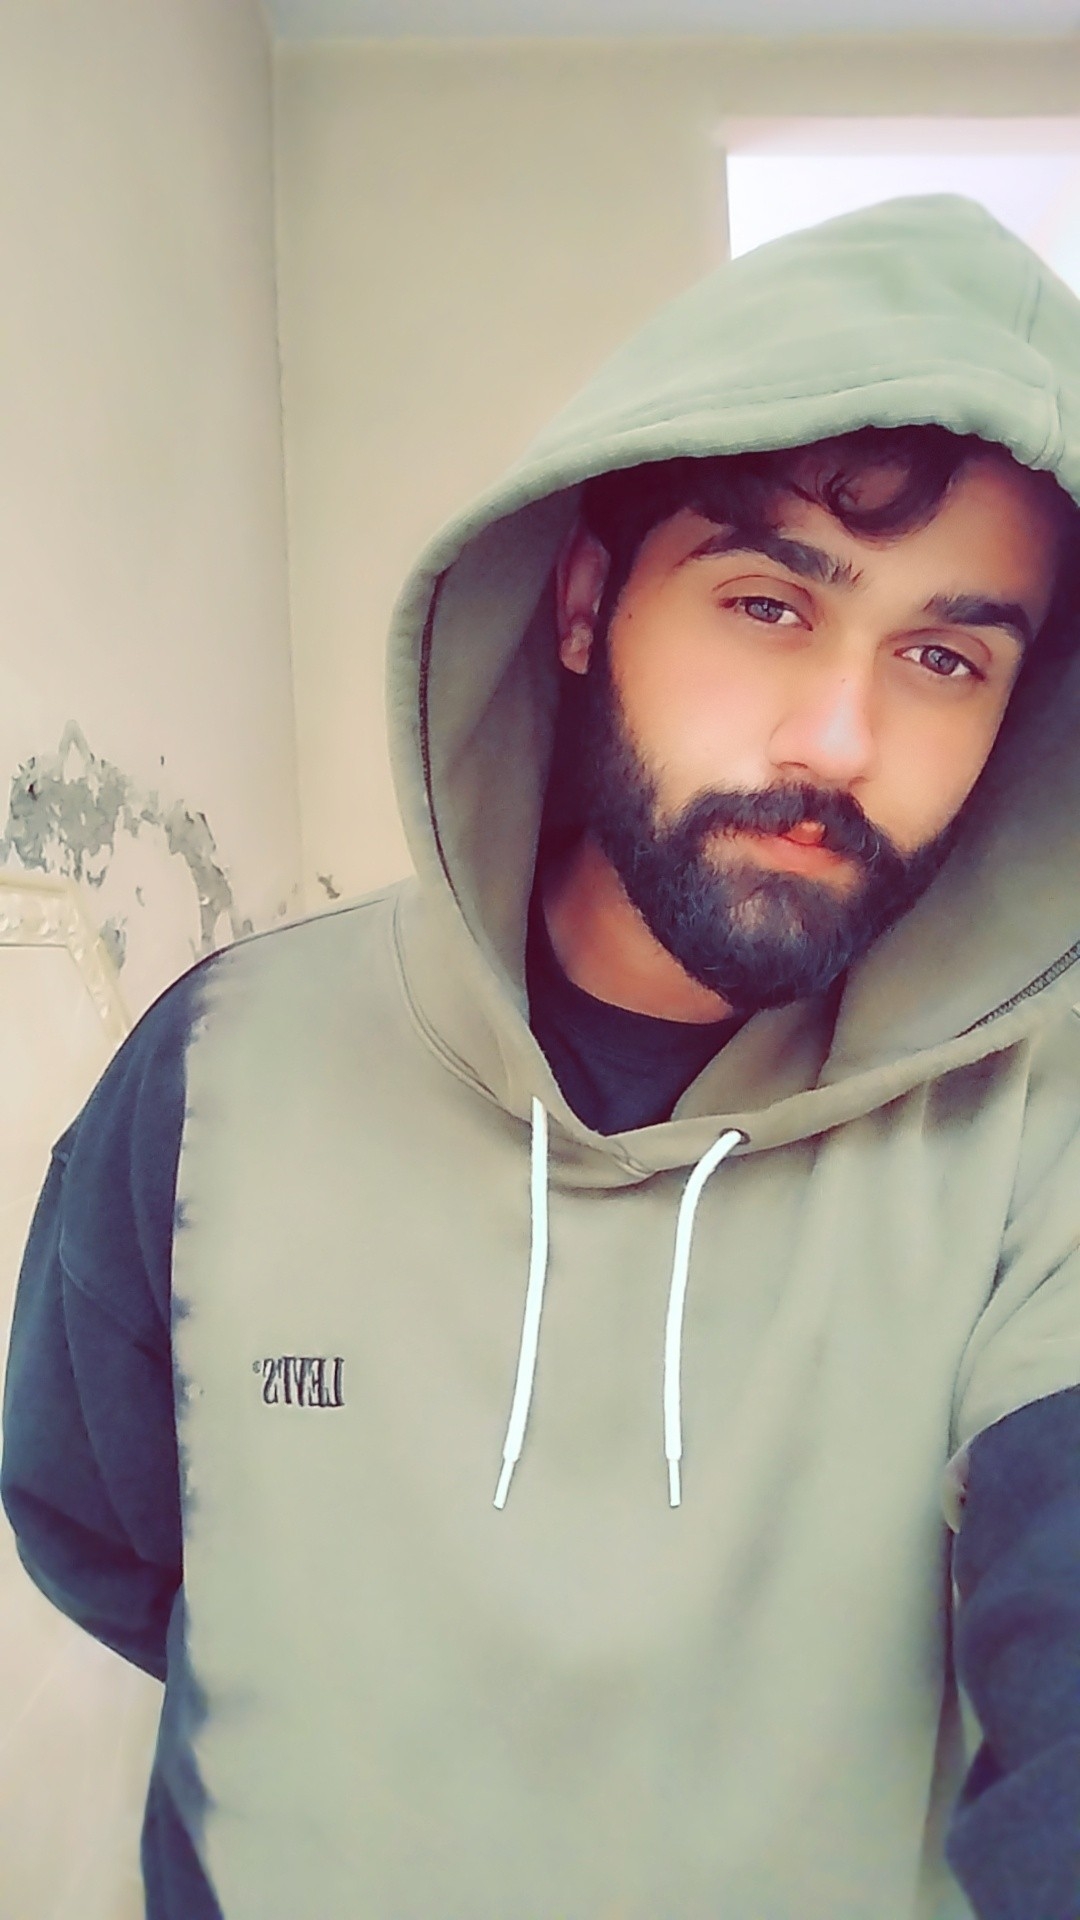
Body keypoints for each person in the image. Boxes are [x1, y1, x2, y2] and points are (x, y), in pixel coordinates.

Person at [3, 191, 1080, 1920]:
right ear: (586, 604)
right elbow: (100, 1532)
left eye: (944, 656)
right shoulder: (222, 1067)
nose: (841, 738)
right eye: (767, 604)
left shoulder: (1042, 1134)